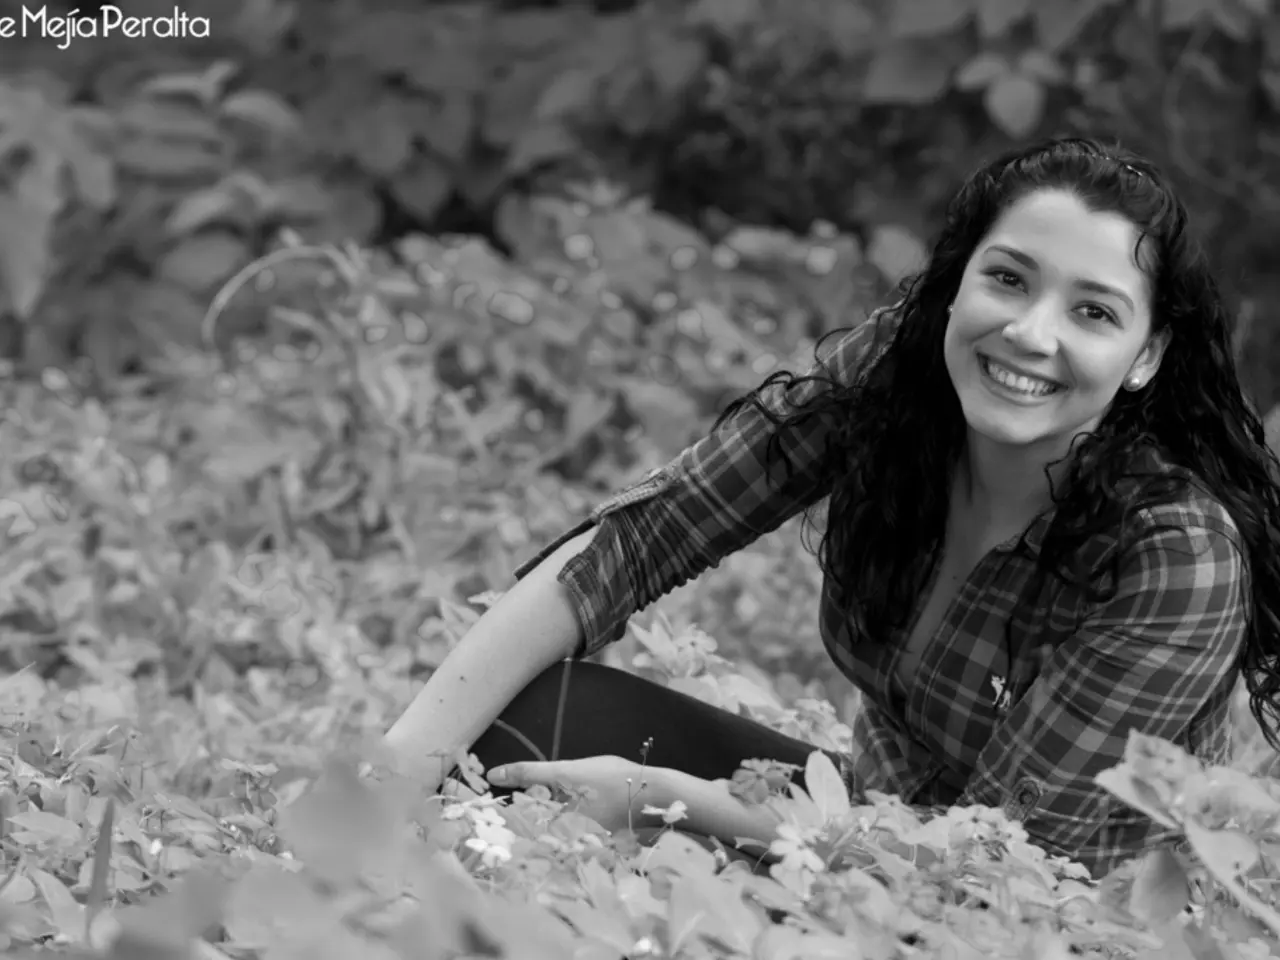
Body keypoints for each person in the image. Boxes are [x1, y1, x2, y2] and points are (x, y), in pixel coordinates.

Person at [381, 137, 1280, 880]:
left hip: (1039, 919)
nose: (1031, 334)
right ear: (957, 280)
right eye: (1009, 279)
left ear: (1146, 355)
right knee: (528, 715)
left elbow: (1002, 864)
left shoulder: (1176, 555)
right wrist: (383, 783)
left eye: (1093, 313)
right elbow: (643, 538)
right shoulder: (897, 378)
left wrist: (667, 802)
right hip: (851, 829)